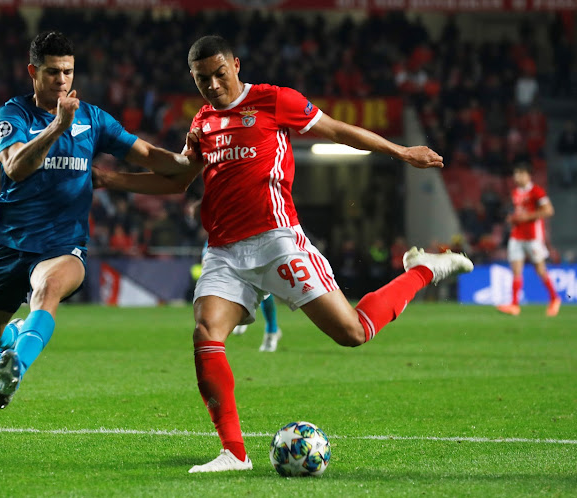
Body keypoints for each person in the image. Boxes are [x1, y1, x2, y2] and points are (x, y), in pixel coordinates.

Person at [92, 35, 473, 473]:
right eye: (202, 79)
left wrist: (400, 151)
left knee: (352, 332)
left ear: (236, 65)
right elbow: (178, 179)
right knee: (205, 333)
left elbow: (338, 130)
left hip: (278, 241)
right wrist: (112, 180)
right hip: (223, 251)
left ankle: (423, 270)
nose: (213, 85)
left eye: (219, 74)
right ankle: (233, 453)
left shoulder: (273, 101)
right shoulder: (202, 121)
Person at [0, 31, 197, 410]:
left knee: (48, 290)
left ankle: (16, 366)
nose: (62, 80)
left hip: (63, 244)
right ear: (33, 72)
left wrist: (192, 160)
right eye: (53, 72)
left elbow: (148, 154)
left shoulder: (93, 119)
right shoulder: (12, 115)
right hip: (8, 242)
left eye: (68, 72)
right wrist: (57, 126)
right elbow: (15, 166)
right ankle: (11, 338)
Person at [496, 163, 560, 317]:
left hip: (533, 236)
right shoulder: (516, 192)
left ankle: (554, 298)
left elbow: (549, 210)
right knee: (516, 270)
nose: (516, 177)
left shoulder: (536, 191)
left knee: (540, 269)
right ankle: (514, 305)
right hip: (517, 235)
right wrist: (513, 219)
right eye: (515, 174)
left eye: (520, 174)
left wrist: (527, 217)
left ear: (527, 175)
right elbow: (520, 212)